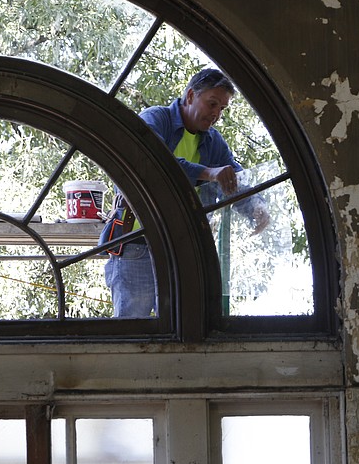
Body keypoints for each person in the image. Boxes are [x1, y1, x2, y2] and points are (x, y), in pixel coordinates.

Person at [104, 68, 270, 318]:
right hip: (137, 240)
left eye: (222, 109)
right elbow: (154, 163)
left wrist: (256, 205)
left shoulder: (214, 143)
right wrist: (209, 173)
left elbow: (234, 179)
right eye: (212, 103)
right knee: (131, 327)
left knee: (180, 327)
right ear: (191, 95)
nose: (216, 114)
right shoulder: (155, 119)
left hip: (180, 246)